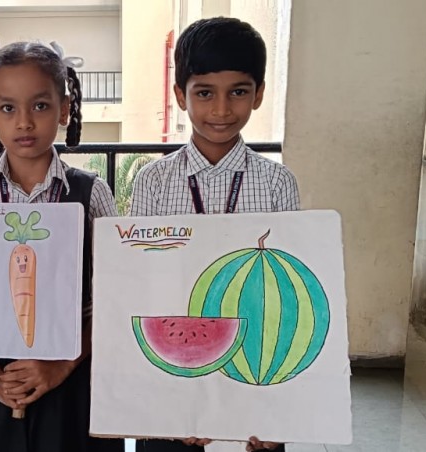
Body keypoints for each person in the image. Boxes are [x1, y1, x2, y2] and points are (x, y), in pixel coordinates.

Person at [0, 41, 124, 452]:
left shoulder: (91, 193)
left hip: (74, 379)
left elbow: (116, 298)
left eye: (40, 106)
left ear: (65, 109)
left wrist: (60, 367)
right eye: (7, 108)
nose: (24, 122)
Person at [129, 17, 298, 452]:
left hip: (256, 363)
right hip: (170, 380)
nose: (221, 110)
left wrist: (277, 407)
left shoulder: (278, 183)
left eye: (238, 92)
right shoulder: (153, 181)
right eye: (204, 93)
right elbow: (141, 281)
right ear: (180, 95)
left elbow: (283, 287)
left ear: (258, 94)